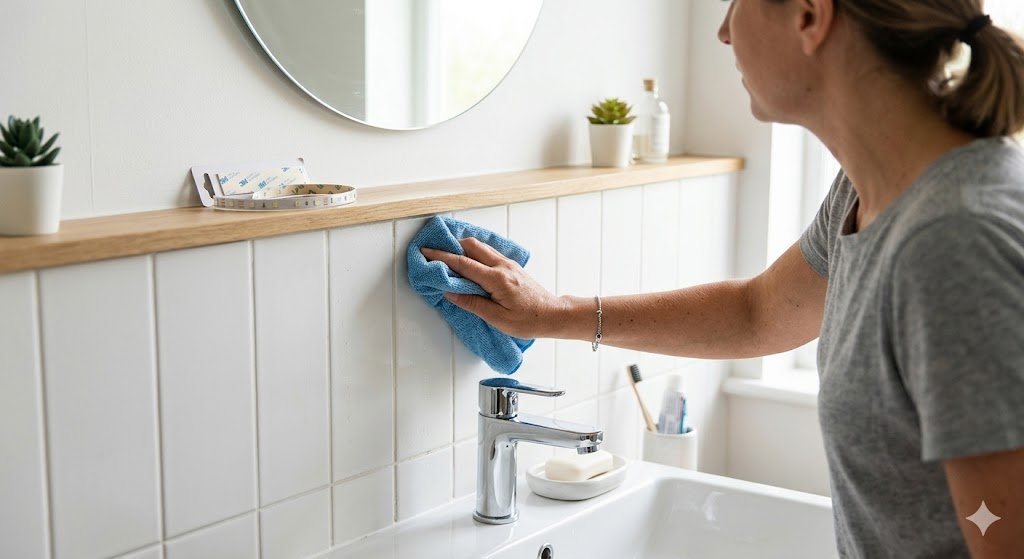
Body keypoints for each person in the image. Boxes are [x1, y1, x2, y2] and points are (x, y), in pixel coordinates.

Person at [423, 0, 1024, 556]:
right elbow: (759, 313)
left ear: (811, 16)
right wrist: (554, 314)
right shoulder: (869, 191)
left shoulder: (956, 241)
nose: (724, 30)